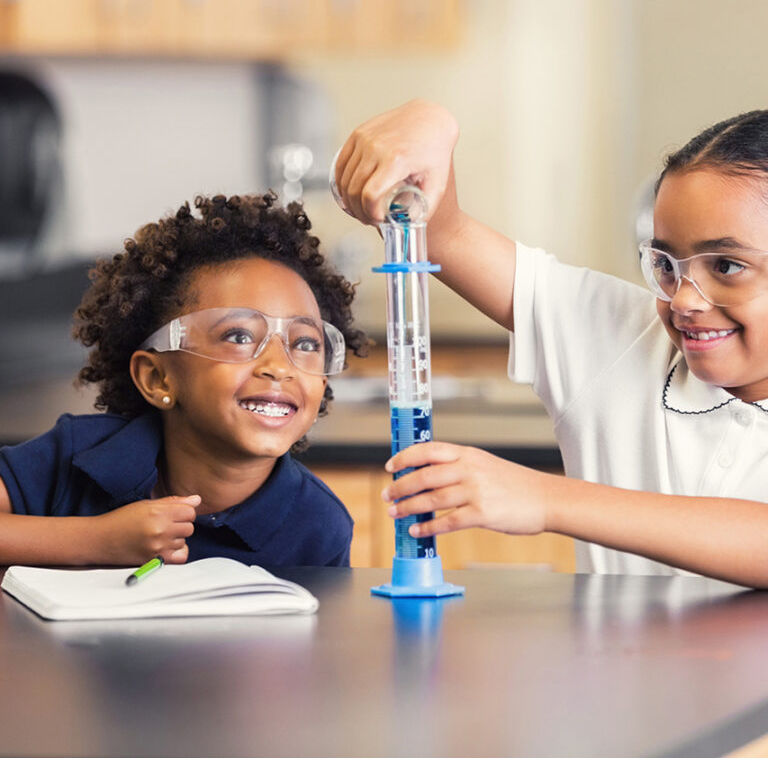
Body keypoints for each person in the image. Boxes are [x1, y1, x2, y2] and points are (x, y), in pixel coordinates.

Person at [334, 100, 768, 589]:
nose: (684, 299)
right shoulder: (621, 336)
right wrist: (431, 122)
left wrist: (545, 498)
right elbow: (440, 230)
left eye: (727, 266)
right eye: (666, 265)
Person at [0, 193, 368, 567]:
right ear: (158, 378)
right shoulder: (78, 455)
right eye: (239, 337)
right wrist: (97, 541)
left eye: (305, 342)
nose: (279, 366)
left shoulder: (318, 526)